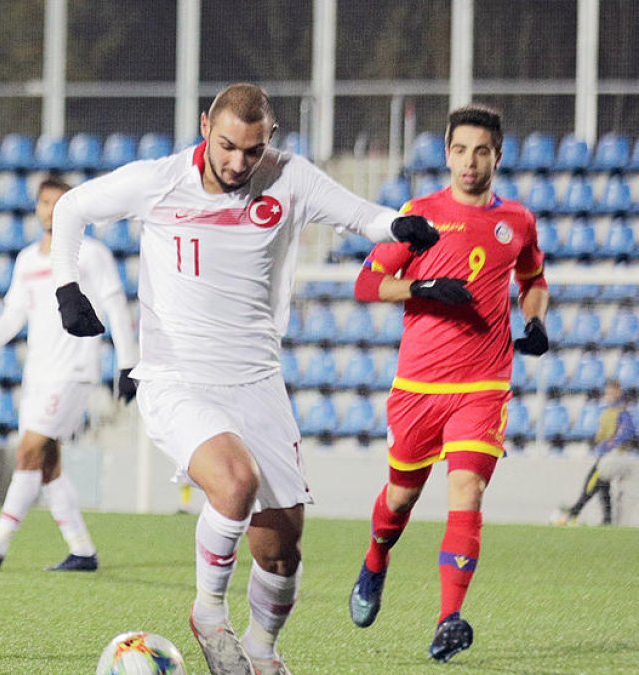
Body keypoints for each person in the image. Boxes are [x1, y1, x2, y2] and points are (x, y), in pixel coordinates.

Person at [47, 82, 442, 675]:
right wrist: (66, 287)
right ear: (206, 125)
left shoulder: (290, 178)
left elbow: (361, 214)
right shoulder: (158, 180)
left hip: (257, 381)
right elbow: (71, 207)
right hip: (176, 376)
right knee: (234, 483)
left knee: (281, 551)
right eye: (227, 145)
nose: (236, 162)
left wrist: (398, 227)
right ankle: (208, 613)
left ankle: (259, 650)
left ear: (270, 141)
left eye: (251, 151)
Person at [346, 104, 550, 663]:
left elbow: (534, 279)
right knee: (401, 499)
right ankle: (375, 560)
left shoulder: (520, 223)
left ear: (497, 156)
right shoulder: (419, 214)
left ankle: (448, 618)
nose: (469, 161)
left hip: (484, 385)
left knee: (468, 492)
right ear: (446, 153)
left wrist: (534, 320)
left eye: (480, 151)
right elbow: (367, 284)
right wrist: (425, 287)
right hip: (418, 388)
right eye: (460, 150)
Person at [0, 176, 139, 573]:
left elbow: (115, 307)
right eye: (44, 202)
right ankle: (82, 550)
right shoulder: (27, 259)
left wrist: (127, 364)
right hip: (37, 375)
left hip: (73, 372)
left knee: (28, 451)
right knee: (47, 463)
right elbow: (13, 315)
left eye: (59, 203)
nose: (50, 210)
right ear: (37, 207)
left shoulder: (91, 254)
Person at [556, 379, 636, 526]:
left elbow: (627, 432)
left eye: (612, 391)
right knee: (602, 486)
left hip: (615, 456)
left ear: (618, 392)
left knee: (592, 480)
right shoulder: (608, 411)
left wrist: (610, 444)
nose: (609, 394)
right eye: (608, 391)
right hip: (605, 455)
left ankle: (575, 511)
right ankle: (607, 520)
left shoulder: (622, 412)